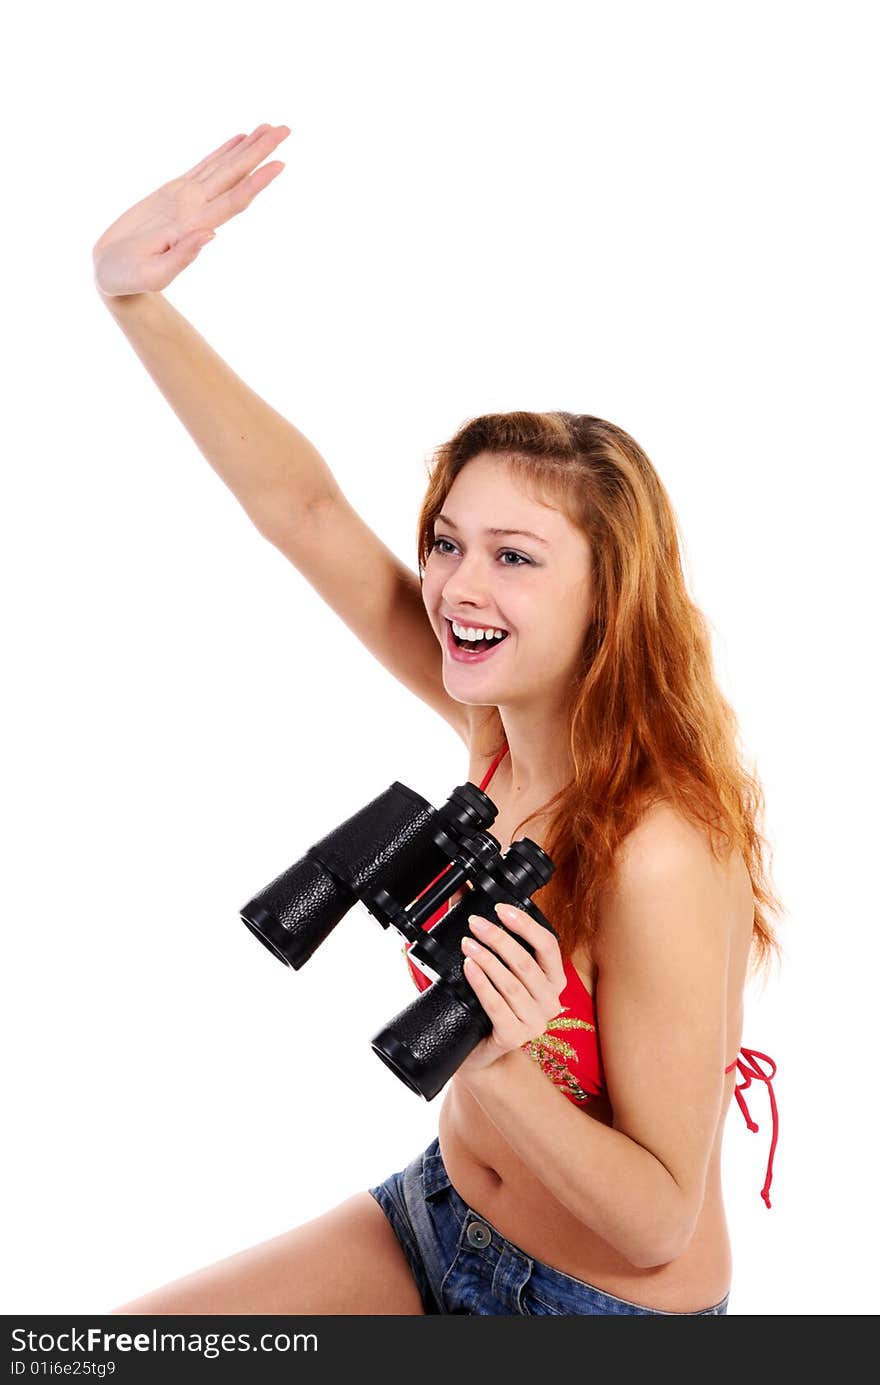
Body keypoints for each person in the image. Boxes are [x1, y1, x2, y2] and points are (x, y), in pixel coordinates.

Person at [94, 124, 783, 1317]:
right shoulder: (500, 730)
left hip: (597, 1305)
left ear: (604, 595)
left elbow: (660, 1214)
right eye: (450, 542)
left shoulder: (664, 850)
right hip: (436, 1216)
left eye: (515, 557)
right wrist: (133, 298)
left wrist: (494, 1061)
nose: (460, 586)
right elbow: (304, 510)